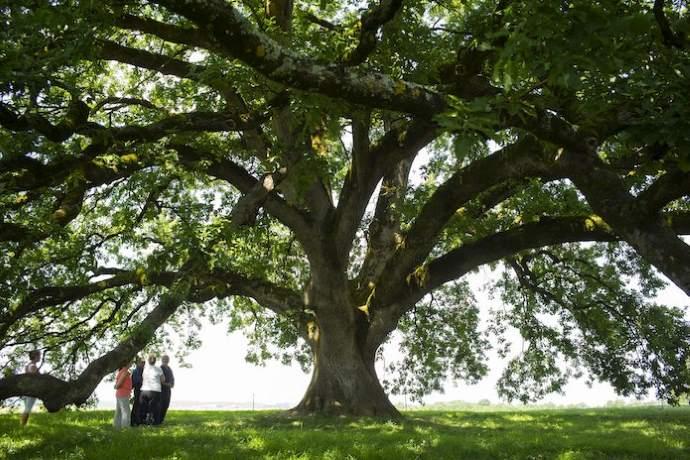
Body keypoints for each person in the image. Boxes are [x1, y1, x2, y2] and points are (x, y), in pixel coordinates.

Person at [139, 354, 164, 425]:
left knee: (143, 407)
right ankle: (153, 422)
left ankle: (143, 421)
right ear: (155, 361)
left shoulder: (145, 368)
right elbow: (163, 380)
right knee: (154, 408)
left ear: (148, 360)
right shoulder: (158, 369)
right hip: (155, 390)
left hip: (144, 390)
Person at [20, 350, 41, 427]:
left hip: (26, 390)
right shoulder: (33, 366)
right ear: (35, 356)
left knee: (26, 409)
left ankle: (23, 425)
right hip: (31, 391)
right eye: (39, 356)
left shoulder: (28, 365)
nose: (40, 357)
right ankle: (23, 426)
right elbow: (34, 379)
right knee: (27, 409)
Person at [113, 360, 132, 429]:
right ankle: (125, 427)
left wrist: (116, 386)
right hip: (123, 394)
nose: (131, 363)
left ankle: (116, 426)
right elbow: (119, 383)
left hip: (120, 393)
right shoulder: (125, 372)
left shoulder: (122, 371)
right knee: (126, 411)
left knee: (119, 411)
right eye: (130, 362)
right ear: (126, 363)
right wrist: (116, 386)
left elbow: (118, 383)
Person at [160, 355, 175, 423]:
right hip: (161, 390)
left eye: (167, 359)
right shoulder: (160, 368)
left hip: (168, 390)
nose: (166, 360)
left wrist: (172, 384)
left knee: (166, 404)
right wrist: (166, 384)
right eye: (165, 359)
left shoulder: (169, 368)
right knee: (161, 405)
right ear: (162, 360)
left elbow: (172, 378)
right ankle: (158, 420)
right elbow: (160, 380)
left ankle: (162, 419)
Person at [130, 357, 145, 426]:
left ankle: (140, 421)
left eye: (144, 363)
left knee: (141, 406)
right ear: (137, 363)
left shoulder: (143, 370)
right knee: (137, 405)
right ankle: (133, 421)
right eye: (142, 362)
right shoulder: (136, 371)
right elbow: (137, 381)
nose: (143, 364)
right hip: (138, 390)